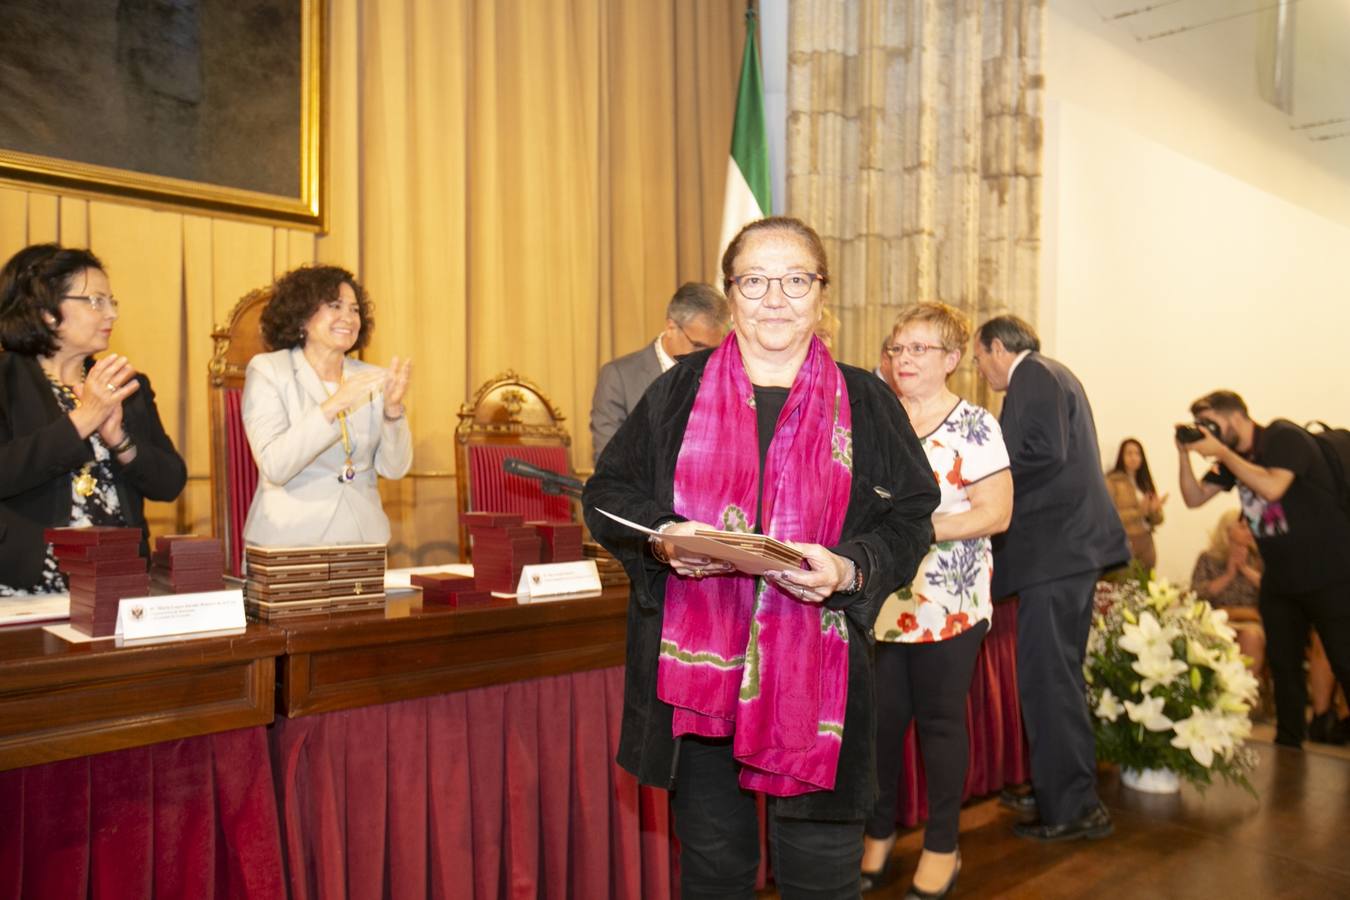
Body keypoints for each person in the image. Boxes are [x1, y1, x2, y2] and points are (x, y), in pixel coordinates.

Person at [583, 217, 938, 899]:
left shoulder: (866, 400)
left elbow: (912, 515)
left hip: (818, 680)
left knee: (822, 879)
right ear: (731, 294)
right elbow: (607, 494)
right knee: (714, 873)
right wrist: (664, 537)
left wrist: (851, 567)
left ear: (820, 293)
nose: (775, 297)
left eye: (795, 279)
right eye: (755, 280)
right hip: (700, 683)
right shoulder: (677, 393)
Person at [863, 303, 1013, 897]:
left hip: (949, 600)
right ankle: (877, 834)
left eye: (919, 349)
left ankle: (943, 845)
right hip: (882, 601)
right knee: (879, 728)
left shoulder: (976, 425)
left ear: (952, 360)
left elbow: (997, 513)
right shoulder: (876, 417)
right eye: (898, 349)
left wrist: (918, 530)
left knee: (940, 725)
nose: (904, 359)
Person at [971, 315, 1128, 841]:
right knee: (1056, 679)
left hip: (1056, 556)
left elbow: (1040, 451)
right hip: (1067, 554)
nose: (978, 367)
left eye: (977, 356)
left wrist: (974, 477)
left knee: (1050, 682)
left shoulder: (1032, 375)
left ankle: (1073, 808)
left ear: (997, 347)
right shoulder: (1053, 373)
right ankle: (1060, 787)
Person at [0, 244, 186, 592]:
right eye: (96, 301)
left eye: (112, 301)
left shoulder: (124, 383)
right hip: (27, 584)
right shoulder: (6, 381)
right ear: (47, 311)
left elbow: (170, 482)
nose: (112, 314)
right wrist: (83, 420)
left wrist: (121, 441)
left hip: (120, 581)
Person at [1176, 389, 1350, 748]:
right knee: (1284, 667)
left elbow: (1272, 486)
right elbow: (1194, 498)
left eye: (1210, 422)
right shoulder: (1231, 461)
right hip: (1281, 579)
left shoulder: (1283, 437)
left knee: (1344, 659)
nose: (1205, 430)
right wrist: (1184, 455)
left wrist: (1222, 452)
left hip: (1328, 573)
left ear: (1236, 416)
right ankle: (1289, 745)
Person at [242, 265, 412, 547]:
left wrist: (392, 412)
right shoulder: (269, 371)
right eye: (335, 306)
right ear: (302, 316)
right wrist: (333, 405)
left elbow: (394, 469)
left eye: (355, 309)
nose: (348, 317)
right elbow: (275, 464)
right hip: (290, 541)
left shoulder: (370, 377)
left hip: (362, 542)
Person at [589, 282, 728, 462]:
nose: (706, 357)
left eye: (714, 349)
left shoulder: (724, 378)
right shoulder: (619, 378)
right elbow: (610, 460)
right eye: (698, 345)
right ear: (671, 328)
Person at [1190, 509, 1264, 674]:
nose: (1250, 531)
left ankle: (1245, 694)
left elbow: (1272, 589)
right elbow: (1196, 594)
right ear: (1228, 530)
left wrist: (1245, 569)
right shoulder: (1208, 558)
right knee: (1213, 637)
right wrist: (1228, 576)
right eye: (1243, 527)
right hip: (1216, 620)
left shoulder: (1259, 559)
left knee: (1251, 636)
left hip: (1250, 620)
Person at [1105, 438, 1166, 570]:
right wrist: (1139, 513)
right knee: (1124, 586)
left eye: (1137, 453)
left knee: (1146, 586)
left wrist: (1153, 511)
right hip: (1124, 543)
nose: (1134, 457)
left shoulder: (1145, 483)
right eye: (1129, 453)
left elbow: (1159, 520)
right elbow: (1108, 518)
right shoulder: (1112, 481)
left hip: (1146, 542)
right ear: (1121, 456)